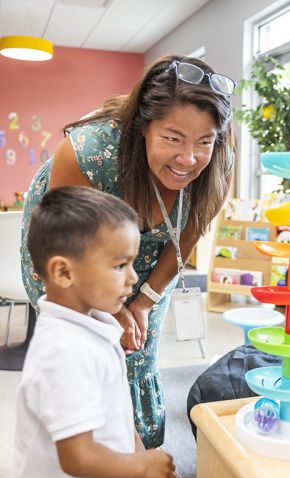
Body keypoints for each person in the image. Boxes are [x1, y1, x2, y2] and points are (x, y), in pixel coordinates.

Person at [20, 54, 235, 451]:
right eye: (172, 138)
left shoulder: (218, 163)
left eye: (203, 142)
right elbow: (67, 245)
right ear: (142, 127)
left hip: (156, 257)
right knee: (92, 350)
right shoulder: (88, 154)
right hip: (73, 249)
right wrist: (109, 310)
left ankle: (138, 455)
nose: (188, 159)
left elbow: (184, 237)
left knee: (137, 357)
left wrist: (142, 303)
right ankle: (97, 452)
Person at [15, 186, 177, 478]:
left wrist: (136, 462)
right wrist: (140, 467)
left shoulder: (96, 325)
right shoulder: (63, 352)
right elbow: (79, 457)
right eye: (120, 265)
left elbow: (116, 409)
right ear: (63, 272)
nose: (133, 278)